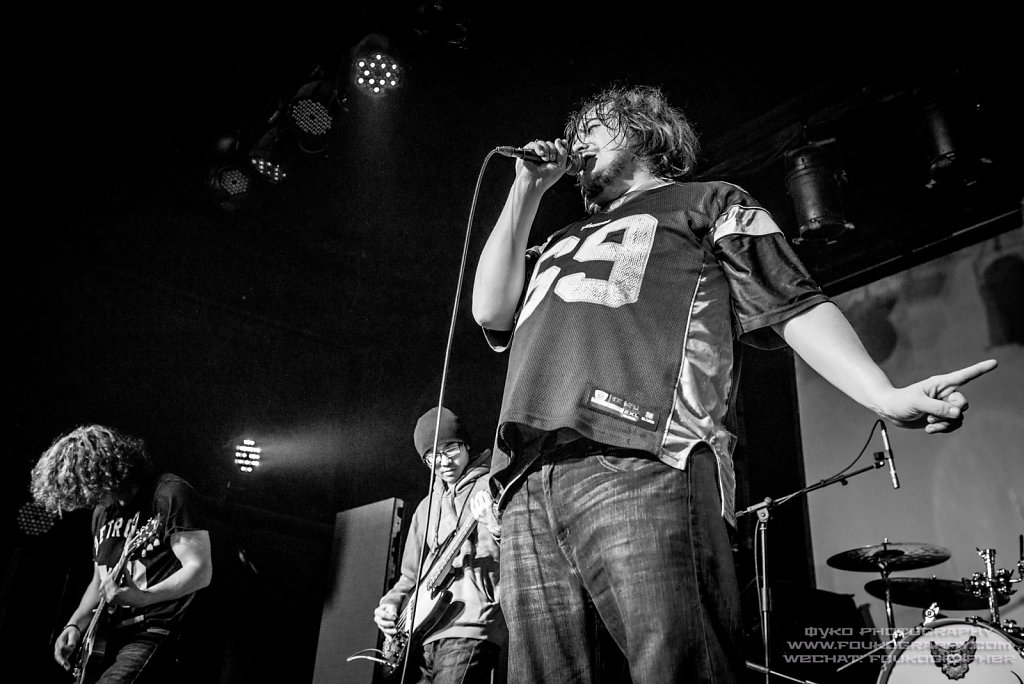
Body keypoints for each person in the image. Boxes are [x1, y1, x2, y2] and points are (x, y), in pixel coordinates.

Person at [470, 84, 998, 683]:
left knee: (677, 668)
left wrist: (882, 394)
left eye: (594, 125)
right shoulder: (556, 241)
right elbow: (490, 309)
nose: (578, 141)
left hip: (643, 458)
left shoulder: (710, 201)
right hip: (526, 480)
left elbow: (791, 303)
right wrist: (526, 188)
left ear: (643, 131)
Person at [30, 424, 213, 684]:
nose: (86, 500)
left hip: (157, 629)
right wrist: (75, 624)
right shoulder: (102, 512)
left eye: (86, 487)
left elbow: (200, 570)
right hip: (110, 635)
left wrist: (144, 597)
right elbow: (99, 580)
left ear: (104, 472)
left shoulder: (168, 493)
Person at [373, 406, 506, 683]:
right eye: (432, 456)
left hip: (471, 623)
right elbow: (410, 576)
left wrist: (496, 528)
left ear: (466, 445)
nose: (443, 461)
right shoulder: (425, 507)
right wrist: (391, 603)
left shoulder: (493, 485)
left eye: (451, 449)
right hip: (423, 632)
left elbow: (521, 552)